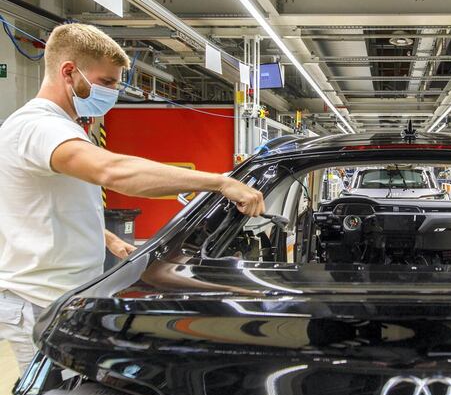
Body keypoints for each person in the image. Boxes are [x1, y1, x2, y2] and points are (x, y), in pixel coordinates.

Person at [0, 23, 265, 371]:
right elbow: (114, 171)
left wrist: (105, 236)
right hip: (41, 302)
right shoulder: (39, 127)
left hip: (63, 295)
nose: (112, 92)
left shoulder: (57, 128)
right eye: (107, 82)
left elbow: (39, 204)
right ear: (69, 72)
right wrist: (219, 182)